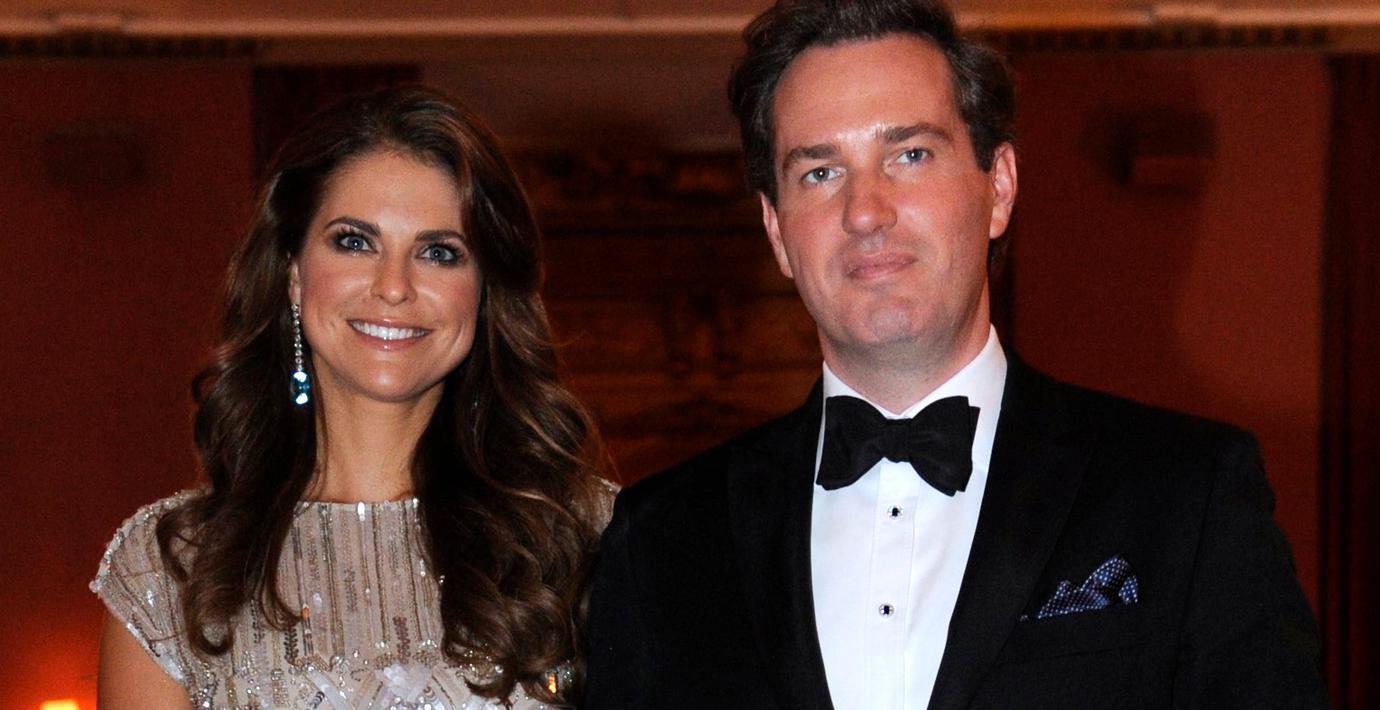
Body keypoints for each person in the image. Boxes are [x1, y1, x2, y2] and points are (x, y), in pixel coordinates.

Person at [584, 1, 1327, 708]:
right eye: (820, 172)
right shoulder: (661, 539)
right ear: (777, 231)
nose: (865, 211)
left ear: (998, 186)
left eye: (909, 154)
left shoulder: (1186, 495)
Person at [92, 86, 612, 710]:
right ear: (293, 272)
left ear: (485, 290)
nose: (394, 286)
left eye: (439, 253)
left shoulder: (590, 540)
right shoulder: (170, 570)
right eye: (355, 242)